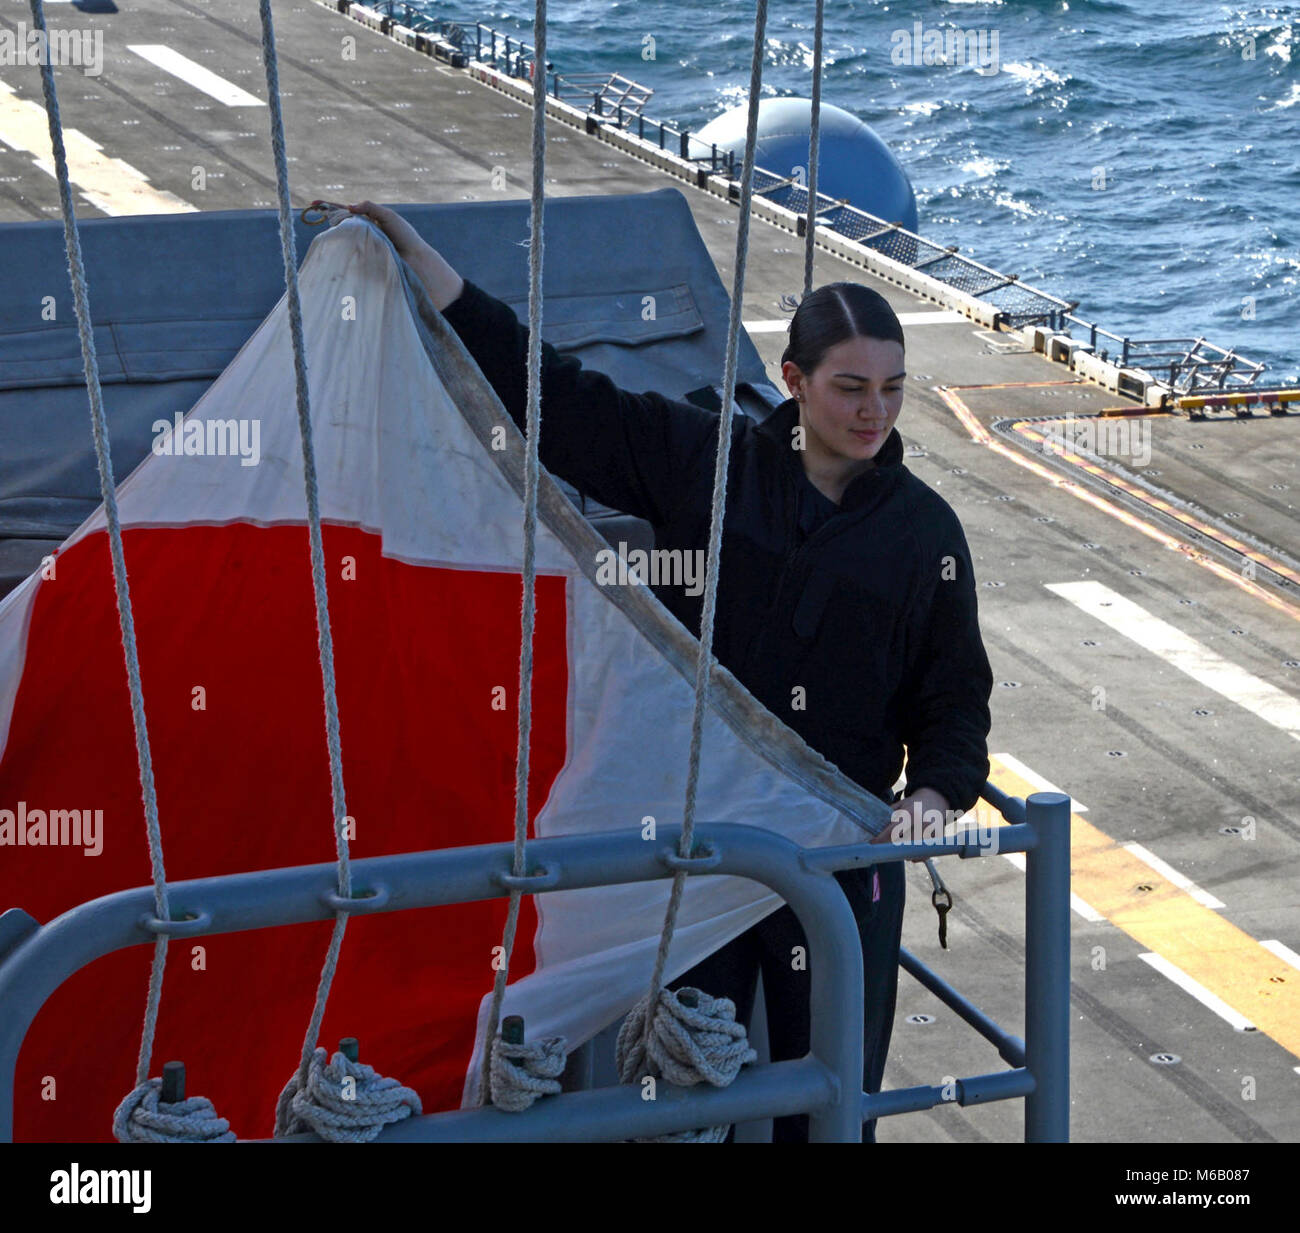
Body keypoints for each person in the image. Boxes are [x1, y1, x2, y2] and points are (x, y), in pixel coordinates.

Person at [344, 200, 993, 1142]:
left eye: (894, 389)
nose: (875, 412)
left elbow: (955, 697)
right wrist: (436, 278)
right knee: (687, 1089)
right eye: (851, 387)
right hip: (703, 845)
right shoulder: (708, 464)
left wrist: (932, 795)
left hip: (845, 850)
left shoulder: (926, 532)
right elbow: (562, 404)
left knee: (837, 1105)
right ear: (793, 382)